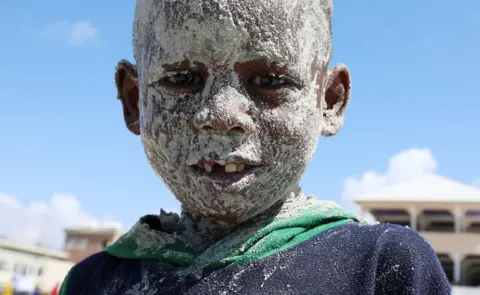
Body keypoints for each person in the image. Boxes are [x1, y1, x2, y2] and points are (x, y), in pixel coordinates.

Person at [59, 0, 451, 294]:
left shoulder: (381, 265)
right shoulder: (93, 281)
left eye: (268, 79)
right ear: (134, 100)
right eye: (182, 78)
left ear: (328, 101)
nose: (220, 115)